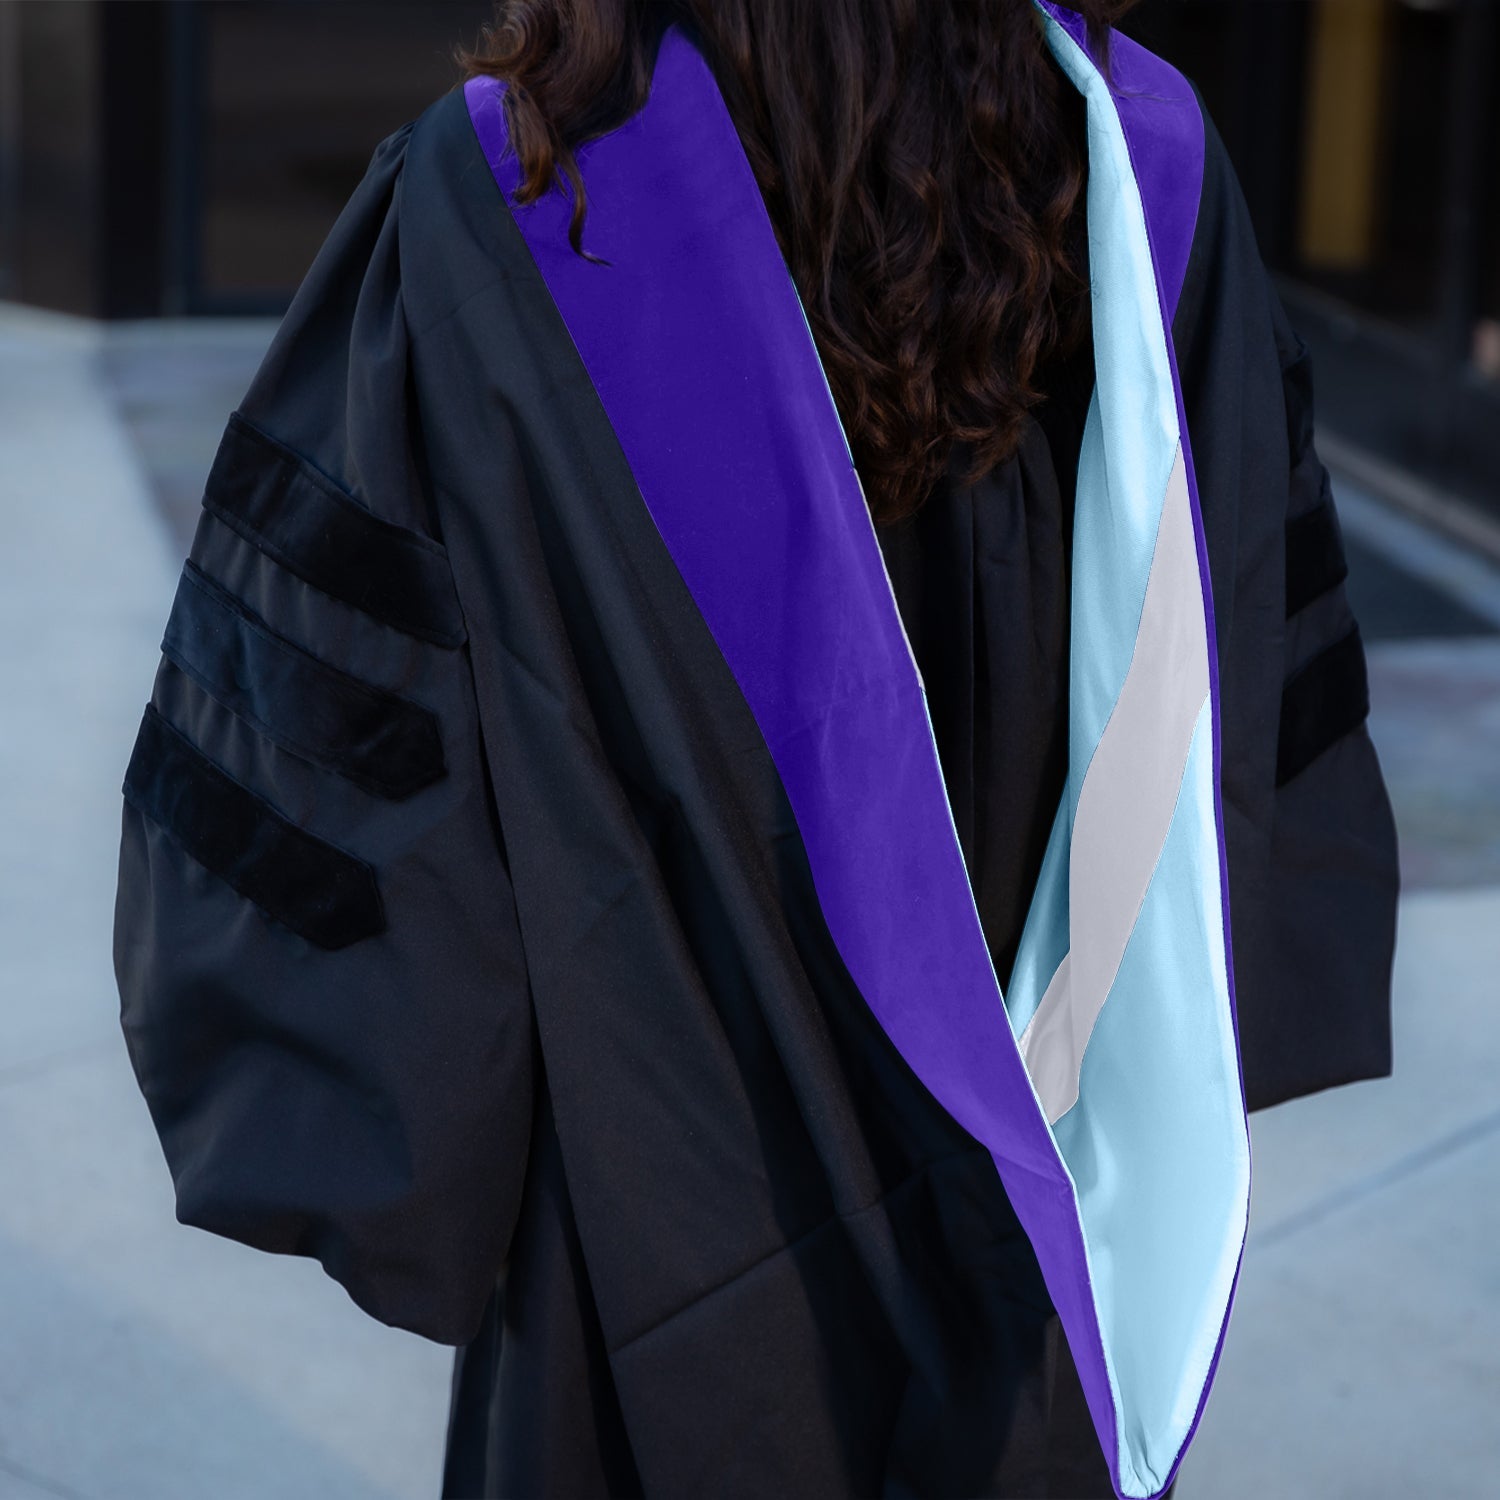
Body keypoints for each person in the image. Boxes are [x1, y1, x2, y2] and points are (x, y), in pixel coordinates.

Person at [111, 3, 1399, 1496]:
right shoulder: (1128, 169)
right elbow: (1239, 676)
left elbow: (365, 784)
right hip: (1045, 1199)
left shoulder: (506, 204)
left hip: (645, 1205)